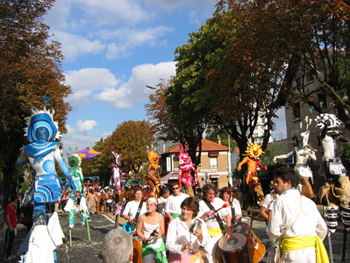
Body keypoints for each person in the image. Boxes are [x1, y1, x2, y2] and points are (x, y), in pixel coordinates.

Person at [267, 167, 329, 263]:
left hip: (292, 254)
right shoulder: (309, 202)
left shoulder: (280, 201)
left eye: (277, 182)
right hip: (311, 252)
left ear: (288, 183)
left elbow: (273, 231)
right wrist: (308, 241)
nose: (274, 185)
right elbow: (323, 228)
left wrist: (276, 241)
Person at [273, 130, 317, 199]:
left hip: (305, 169)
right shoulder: (296, 149)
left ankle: (309, 195)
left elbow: (315, 158)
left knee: (305, 182)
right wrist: (277, 157)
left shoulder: (309, 150)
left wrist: (308, 153)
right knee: (299, 183)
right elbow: (287, 155)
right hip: (298, 168)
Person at [166, 197, 210, 263]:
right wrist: (183, 247)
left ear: (193, 211)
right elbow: (169, 245)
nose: (185, 211)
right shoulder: (174, 223)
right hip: (177, 259)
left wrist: (200, 236)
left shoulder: (200, 223)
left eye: (188, 209)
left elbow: (205, 242)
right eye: (183, 209)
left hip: (194, 258)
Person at [198, 184, 234, 263]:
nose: (211, 196)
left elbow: (227, 216)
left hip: (221, 233)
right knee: (209, 255)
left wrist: (228, 230)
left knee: (222, 256)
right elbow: (197, 220)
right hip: (209, 234)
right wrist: (205, 215)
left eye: (213, 194)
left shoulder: (219, 201)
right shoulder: (201, 204)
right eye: (209, 194)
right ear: (205, 193)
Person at [136, 197, 167, 263]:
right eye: (147, 205)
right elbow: (138, 230)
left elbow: (163, 230)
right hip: (147, 245)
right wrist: (144, 238)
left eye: (151, 205)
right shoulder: (142, 217)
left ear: (155, 206)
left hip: (158, 245)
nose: (149, 207)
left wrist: (160, 233)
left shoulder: (160, 216)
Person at [4, 194, 18, 261]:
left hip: (13, 226)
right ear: (14, 199)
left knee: (11, 241)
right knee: (9, 241)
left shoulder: (13, 206)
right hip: (10, 226)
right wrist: (10, 226)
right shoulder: (9, 207)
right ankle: (6, 255)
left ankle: (9, 254)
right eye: (16, 198)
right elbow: (7, 216)